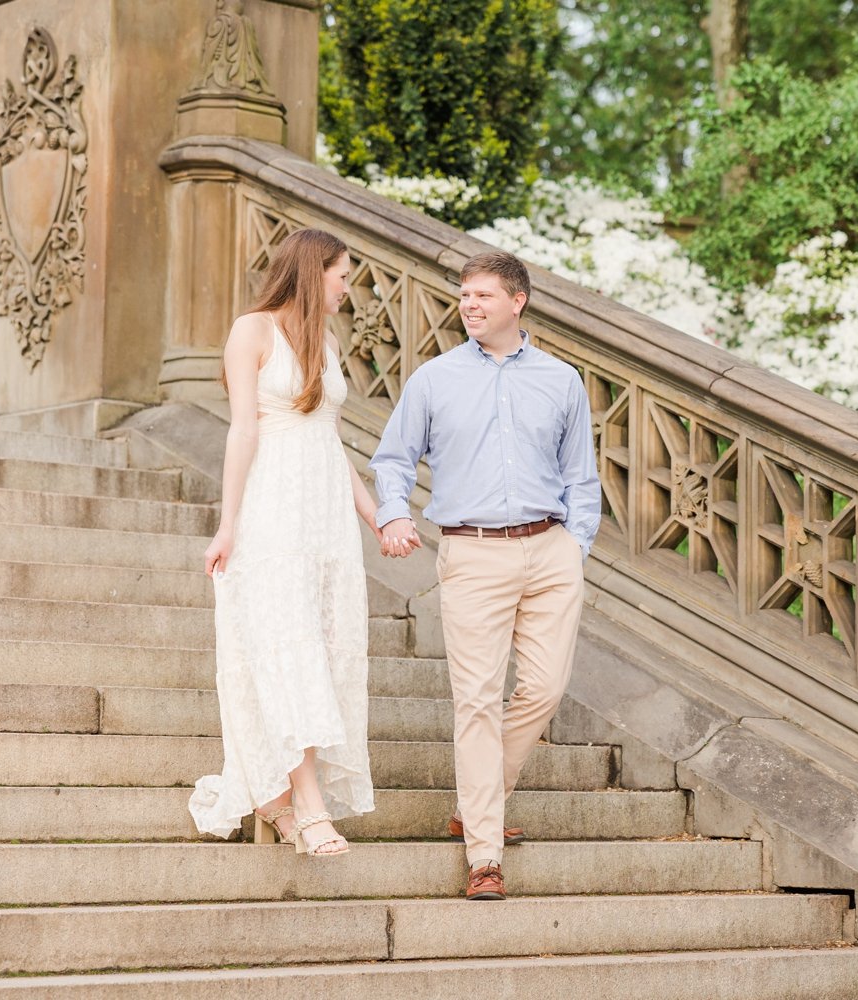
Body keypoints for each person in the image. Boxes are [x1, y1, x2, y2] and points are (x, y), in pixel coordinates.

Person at [371, 250, 601, 900]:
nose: (470, 305)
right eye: (465, 295)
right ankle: (485, 857)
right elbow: (393, 459)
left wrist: (573, 546)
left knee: (544, 690)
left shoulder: (561, 381)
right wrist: (393, 514)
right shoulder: (434, 380)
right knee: (475, 701)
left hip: (550, 552)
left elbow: (581, 476)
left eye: (483, 296)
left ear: (517, 301)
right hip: (472, 553)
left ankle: (478, 803)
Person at [188, 228, 381, 856]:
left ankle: (276, 800)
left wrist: (377, 517)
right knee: (288, 648)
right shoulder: (253, 331)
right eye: (342, 275)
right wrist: (228, 524)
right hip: (272, 513)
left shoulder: (324, 341)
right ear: (312, 270)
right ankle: (310, 805)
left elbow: (331, 441)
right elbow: (243, 431)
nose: (347, 287)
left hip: (325, 518)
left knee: (322, 653)